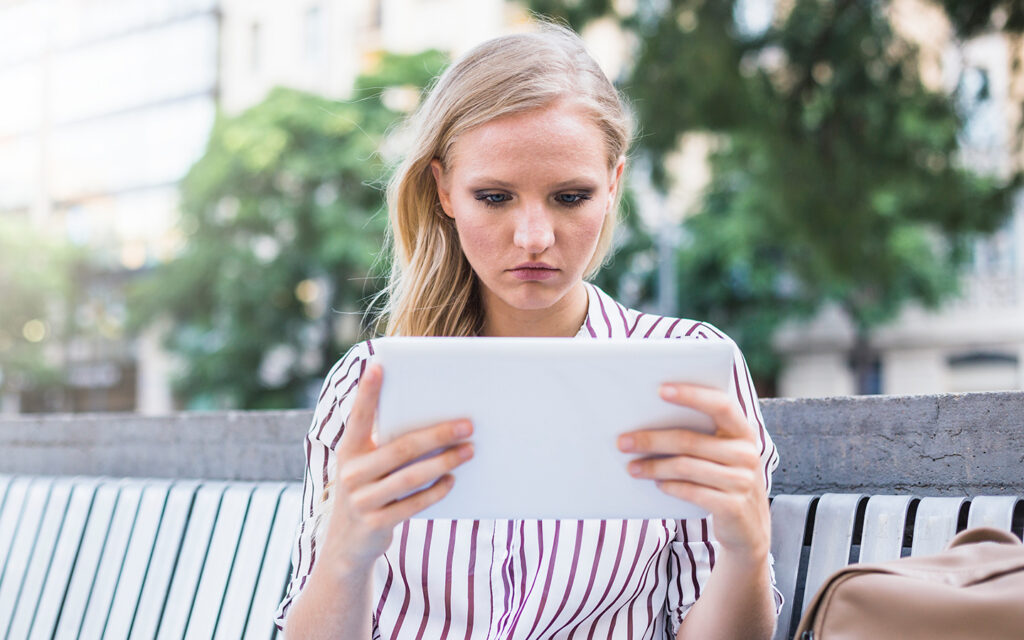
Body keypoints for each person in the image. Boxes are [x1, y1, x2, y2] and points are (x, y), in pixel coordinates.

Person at [276, 21, 781, 640]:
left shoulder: (689, 368)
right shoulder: (369, 386)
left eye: (571, 197)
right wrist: (346, 556)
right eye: (493, 197)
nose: (535, 238)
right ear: (443, 190)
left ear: (613, 186)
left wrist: (746, 550)